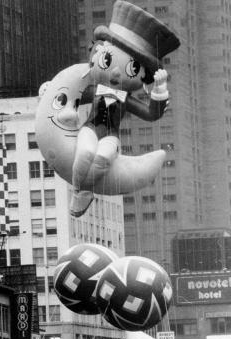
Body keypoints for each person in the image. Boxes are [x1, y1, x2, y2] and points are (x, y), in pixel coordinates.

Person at [69, 0, 179, 217]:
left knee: (103, 157)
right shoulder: (94, 90)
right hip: (90, 129)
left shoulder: (126, 99)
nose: (118, 73)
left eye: (132, 68)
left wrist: (160, 89)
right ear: (98, 52)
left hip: (111, 136)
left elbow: (151, 114)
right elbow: (71, 97)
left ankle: (85, 190)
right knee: (85, 153)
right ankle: (78, 191)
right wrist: (50, 91)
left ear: (142, 75)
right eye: (109, 59)